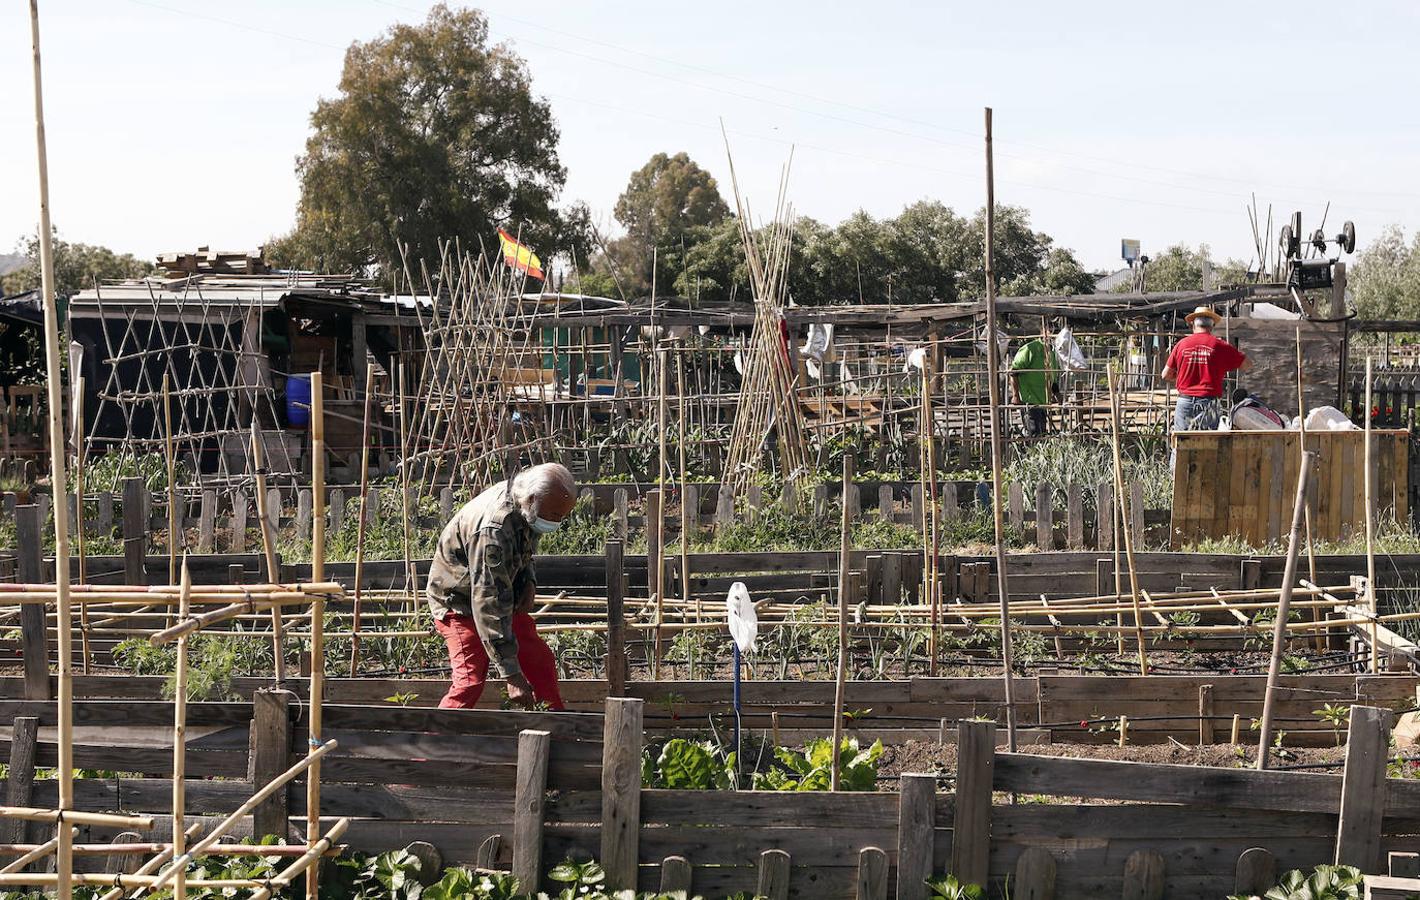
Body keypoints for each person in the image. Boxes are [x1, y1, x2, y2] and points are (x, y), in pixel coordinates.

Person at [426, 462, 576, 710]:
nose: (558, 522)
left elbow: (525, 543)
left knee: (540, 662)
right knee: (469, 681)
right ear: (531, 500)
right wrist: (512, 676)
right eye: (555, 516)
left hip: (499, 593)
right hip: (458, 599)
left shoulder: (525, 502)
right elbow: (487, 601)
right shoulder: (493, 530)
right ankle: (431, 745)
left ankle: (555, 729)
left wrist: (528, 580)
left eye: (562, 516)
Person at [1161, 306, 1250, 433]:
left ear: (1193, 324)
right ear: (1212, 326)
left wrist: (1181, 374)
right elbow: (1246, 364)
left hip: (1185, 401)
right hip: (1209, 403)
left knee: (1181, 445)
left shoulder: (1182, 345)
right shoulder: (1220, 346)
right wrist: (1220, 368)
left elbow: (1165, 375)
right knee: (1208, 446)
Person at [1009, 334, 1059, 437]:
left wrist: (1057, 394)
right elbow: (1014, 372)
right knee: (1034, 433)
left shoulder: (1053, 353)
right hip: (1029, 399)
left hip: (1043, 401)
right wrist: (1015, 395)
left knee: (1042, 433)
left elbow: (1053, 377)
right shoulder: (1030, 349)